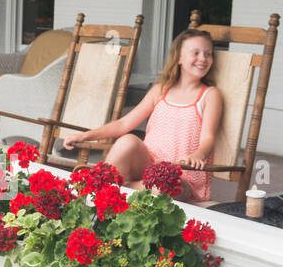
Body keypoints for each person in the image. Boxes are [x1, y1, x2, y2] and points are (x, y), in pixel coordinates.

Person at [62, 28, 224, 199]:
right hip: (149, 163)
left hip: (182, 175)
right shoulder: (161, 90)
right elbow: (124, 124)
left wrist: (198, 155)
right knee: (127, 141)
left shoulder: (210, 95)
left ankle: (119, 186)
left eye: (208, 54)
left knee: (164, 186)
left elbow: (209, 138)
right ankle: (105, 187)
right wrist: (86, 136)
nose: (203, 59)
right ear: (179, 58)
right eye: (196, 53)